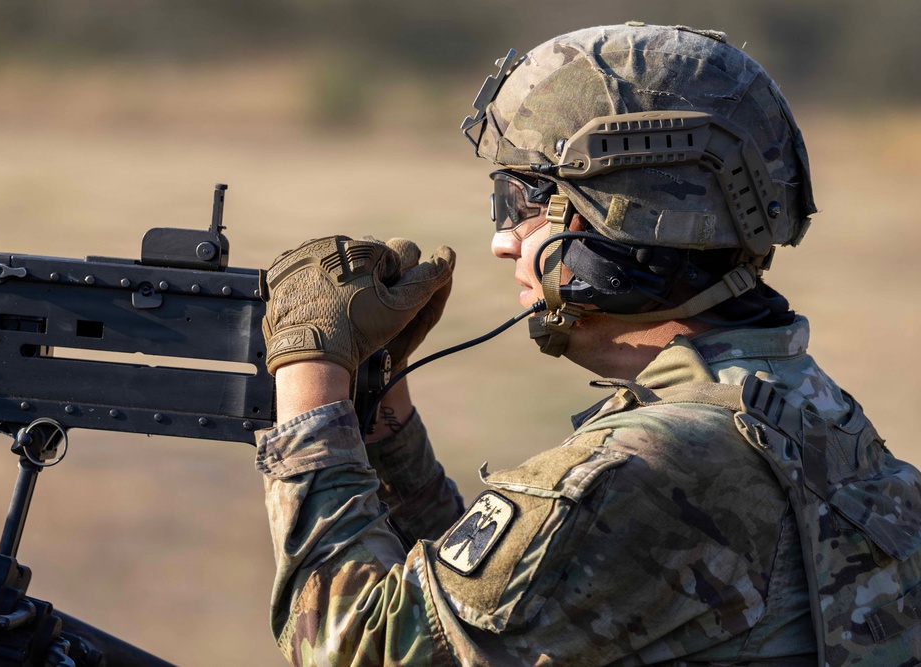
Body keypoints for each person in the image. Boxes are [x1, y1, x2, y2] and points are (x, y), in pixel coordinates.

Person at [255, 24, 921, 666]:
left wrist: (309, 367)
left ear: (620, 218)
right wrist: (383, 413)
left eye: (520, 199)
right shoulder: (796, 406)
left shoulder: (653, 464)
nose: (502, 238)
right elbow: (501, 615)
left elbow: (357, 646)